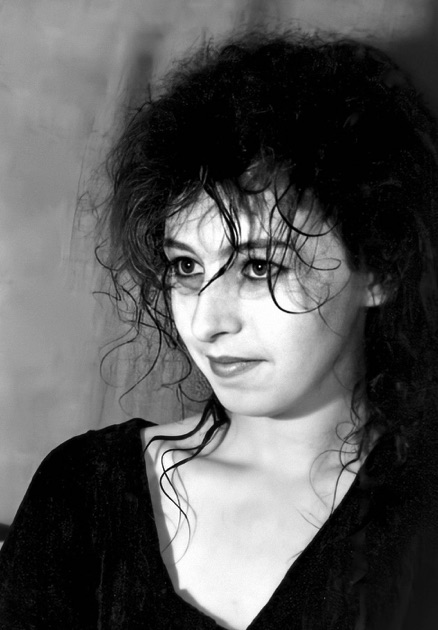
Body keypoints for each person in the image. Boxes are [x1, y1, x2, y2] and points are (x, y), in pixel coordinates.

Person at [0, 29, 438, 630]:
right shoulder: (83, 494)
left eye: (259, 267)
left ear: (379, 267)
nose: (207, 323)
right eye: (186, 267)